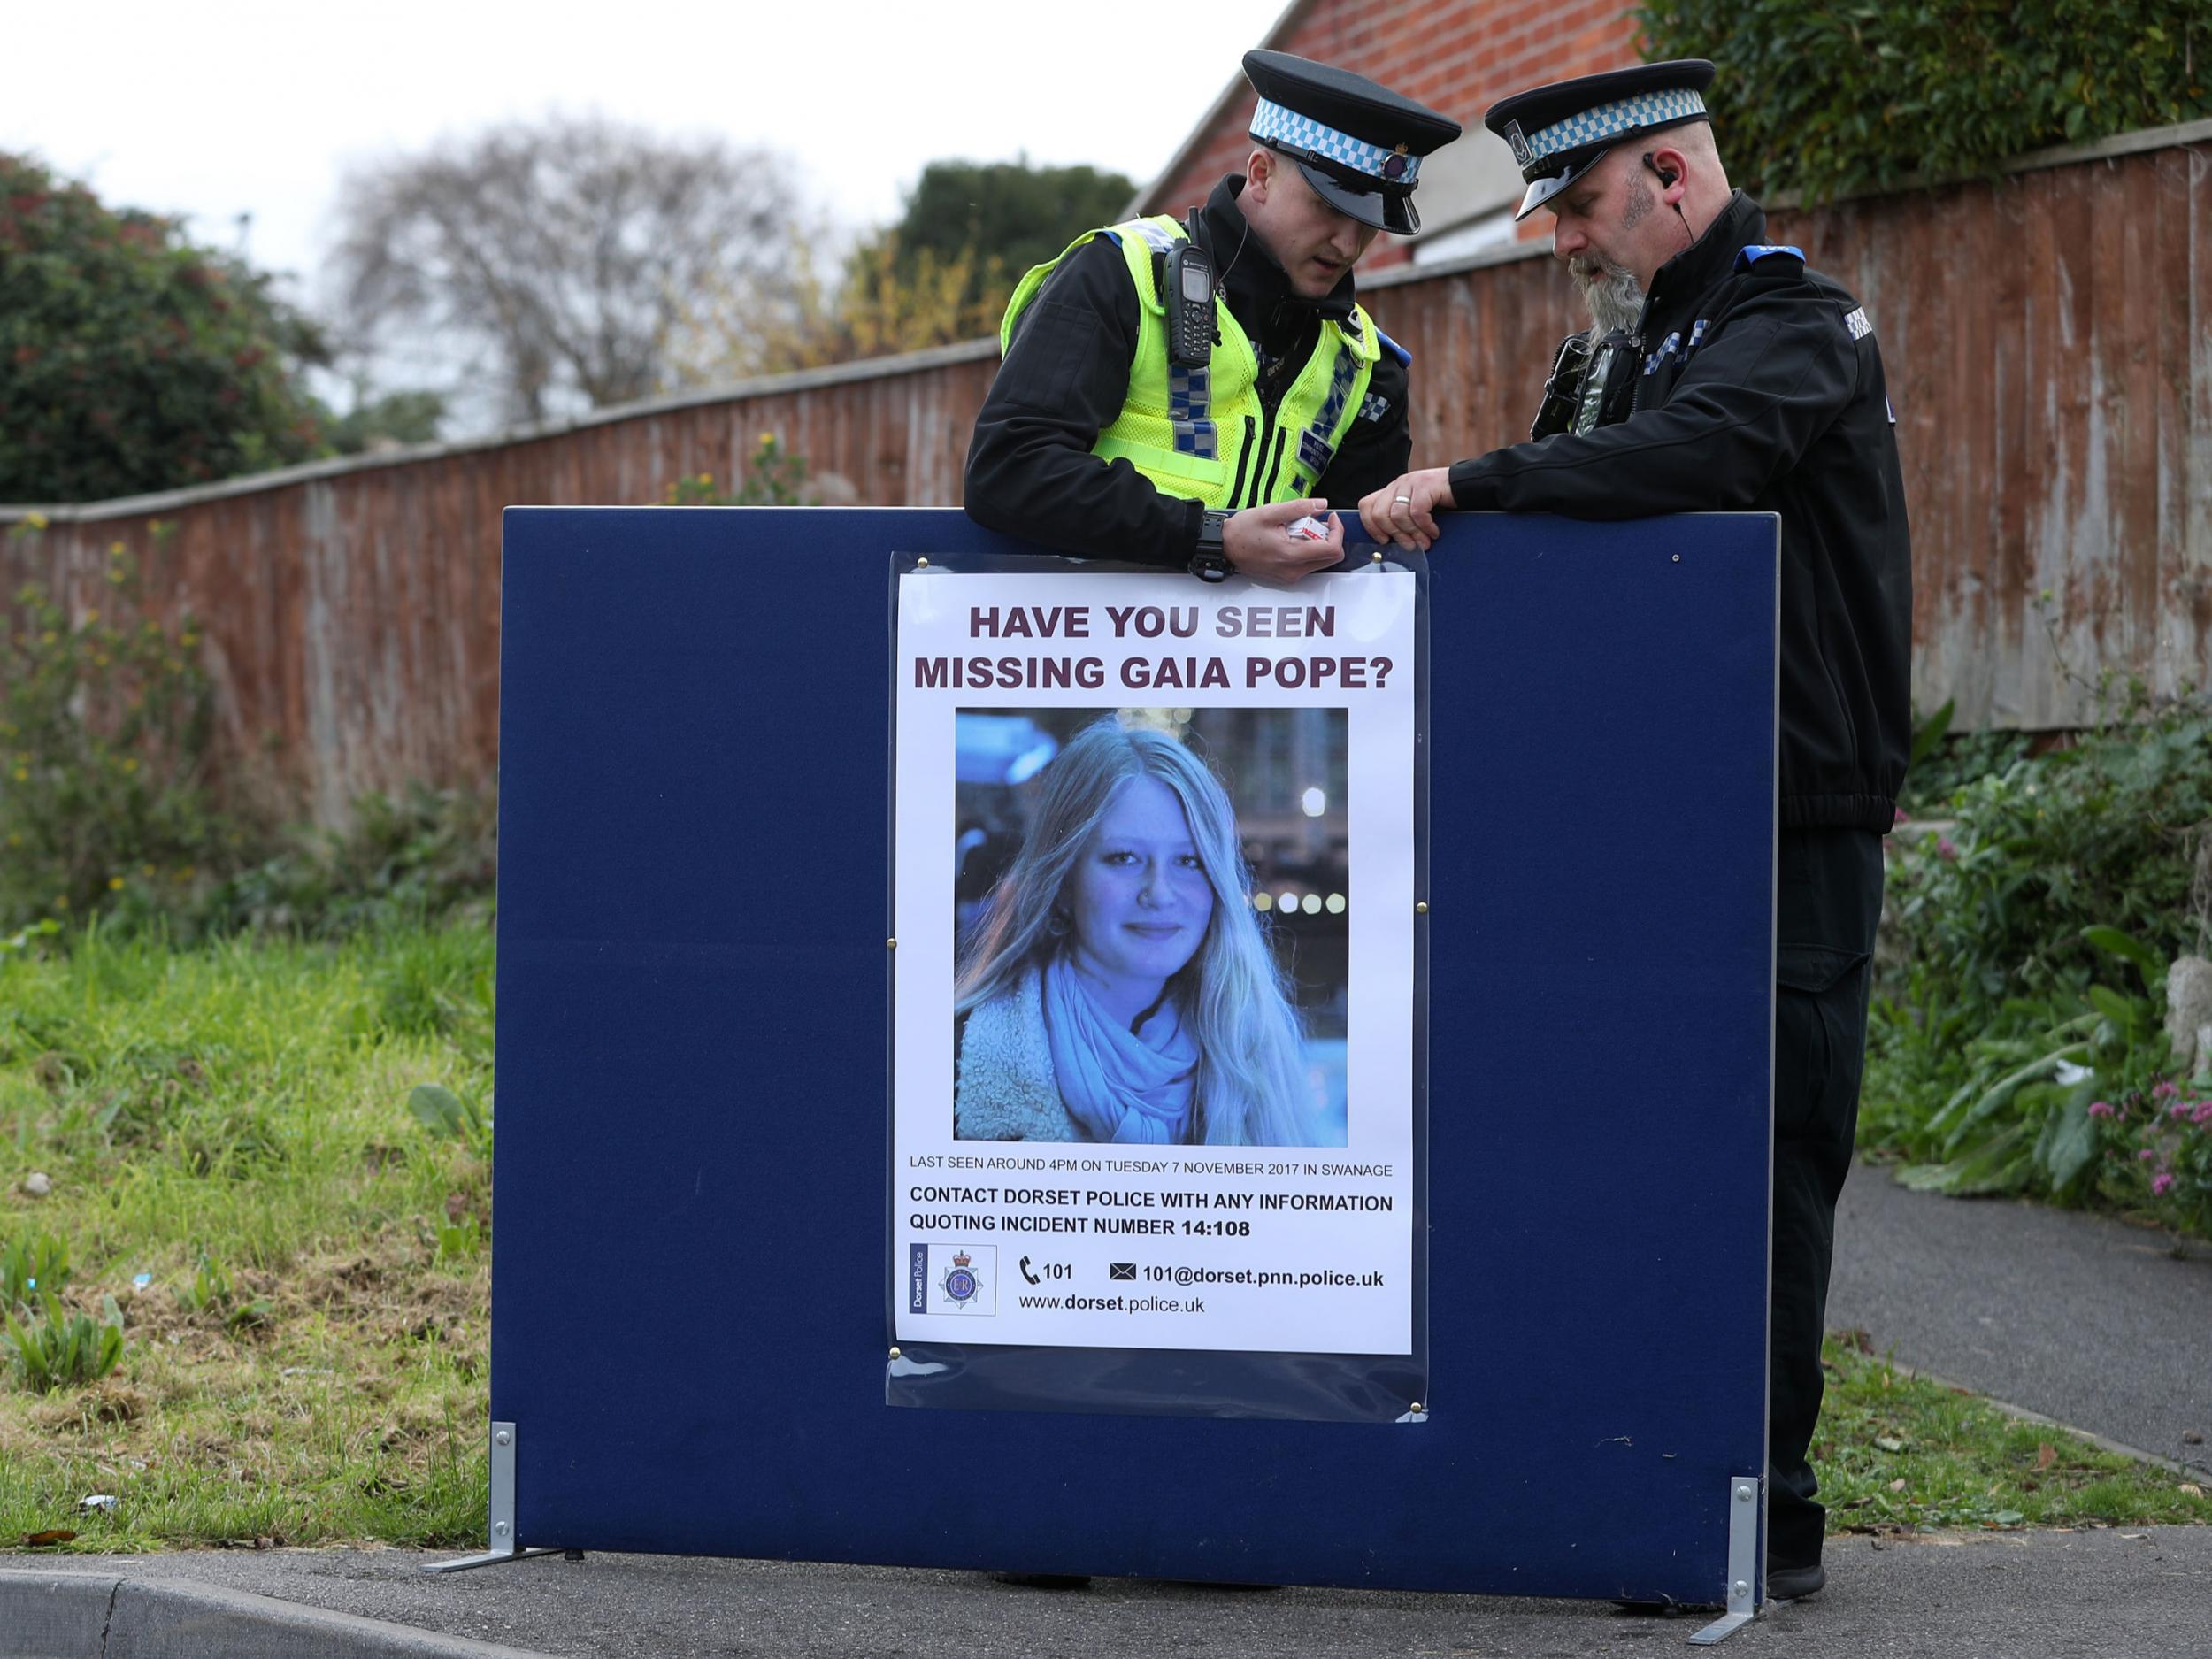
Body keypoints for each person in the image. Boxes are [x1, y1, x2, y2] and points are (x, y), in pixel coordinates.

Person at [1359, 60, 1910, 1604]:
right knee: (1629, 1155)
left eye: (1584, 207)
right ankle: (1640, 1490)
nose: (1565, 243)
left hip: (1786, 830)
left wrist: (1470, 479)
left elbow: (1704, 459)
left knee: (1766, 1179)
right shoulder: (1624, 355)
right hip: (1642, 831)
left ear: (1671, 179)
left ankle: (1766, 1516)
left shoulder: (1795, 329)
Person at [964, 50, 1460, 585]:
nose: (1348, 244)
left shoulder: (1367, 364)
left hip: (1258, 666)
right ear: (1261, 173)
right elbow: (1007, 469)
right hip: (1089, 653)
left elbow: (1361, 566)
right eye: (1331, 208)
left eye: (1369, 223)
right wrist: (1211, 538)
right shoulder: (1119, 273)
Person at [953, 718, 1320, 1148]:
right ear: (1065, 881)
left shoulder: (1258, 1053)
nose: (1160, 894)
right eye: (1124, 857)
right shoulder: (956, 1061)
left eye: (1189, 861)